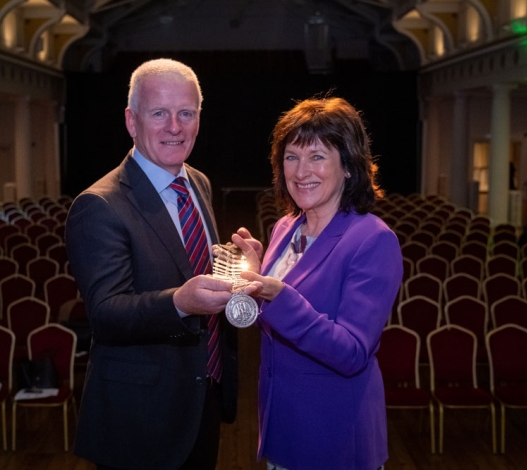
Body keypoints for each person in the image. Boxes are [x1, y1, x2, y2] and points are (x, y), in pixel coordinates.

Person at [65, 58, 260, 470]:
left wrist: (234, 267)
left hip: (202, 395)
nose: (175, 126)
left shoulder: (198, 182)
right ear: (131, 121)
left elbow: (185, 261)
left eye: (186, 113)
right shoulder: (99, 205)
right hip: (143, 416)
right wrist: (181, 303)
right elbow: (105, 315)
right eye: (159, 113)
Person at [232, 96, 403, 470]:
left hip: (334, 438)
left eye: (318, 156)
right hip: (282, 427)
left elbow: (352, 353)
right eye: (291, 157)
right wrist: (257, 279)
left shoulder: (373, 239)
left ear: (348, 166)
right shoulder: (285, 226)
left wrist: (279, 297)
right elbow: (279, 323)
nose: (300, 170)